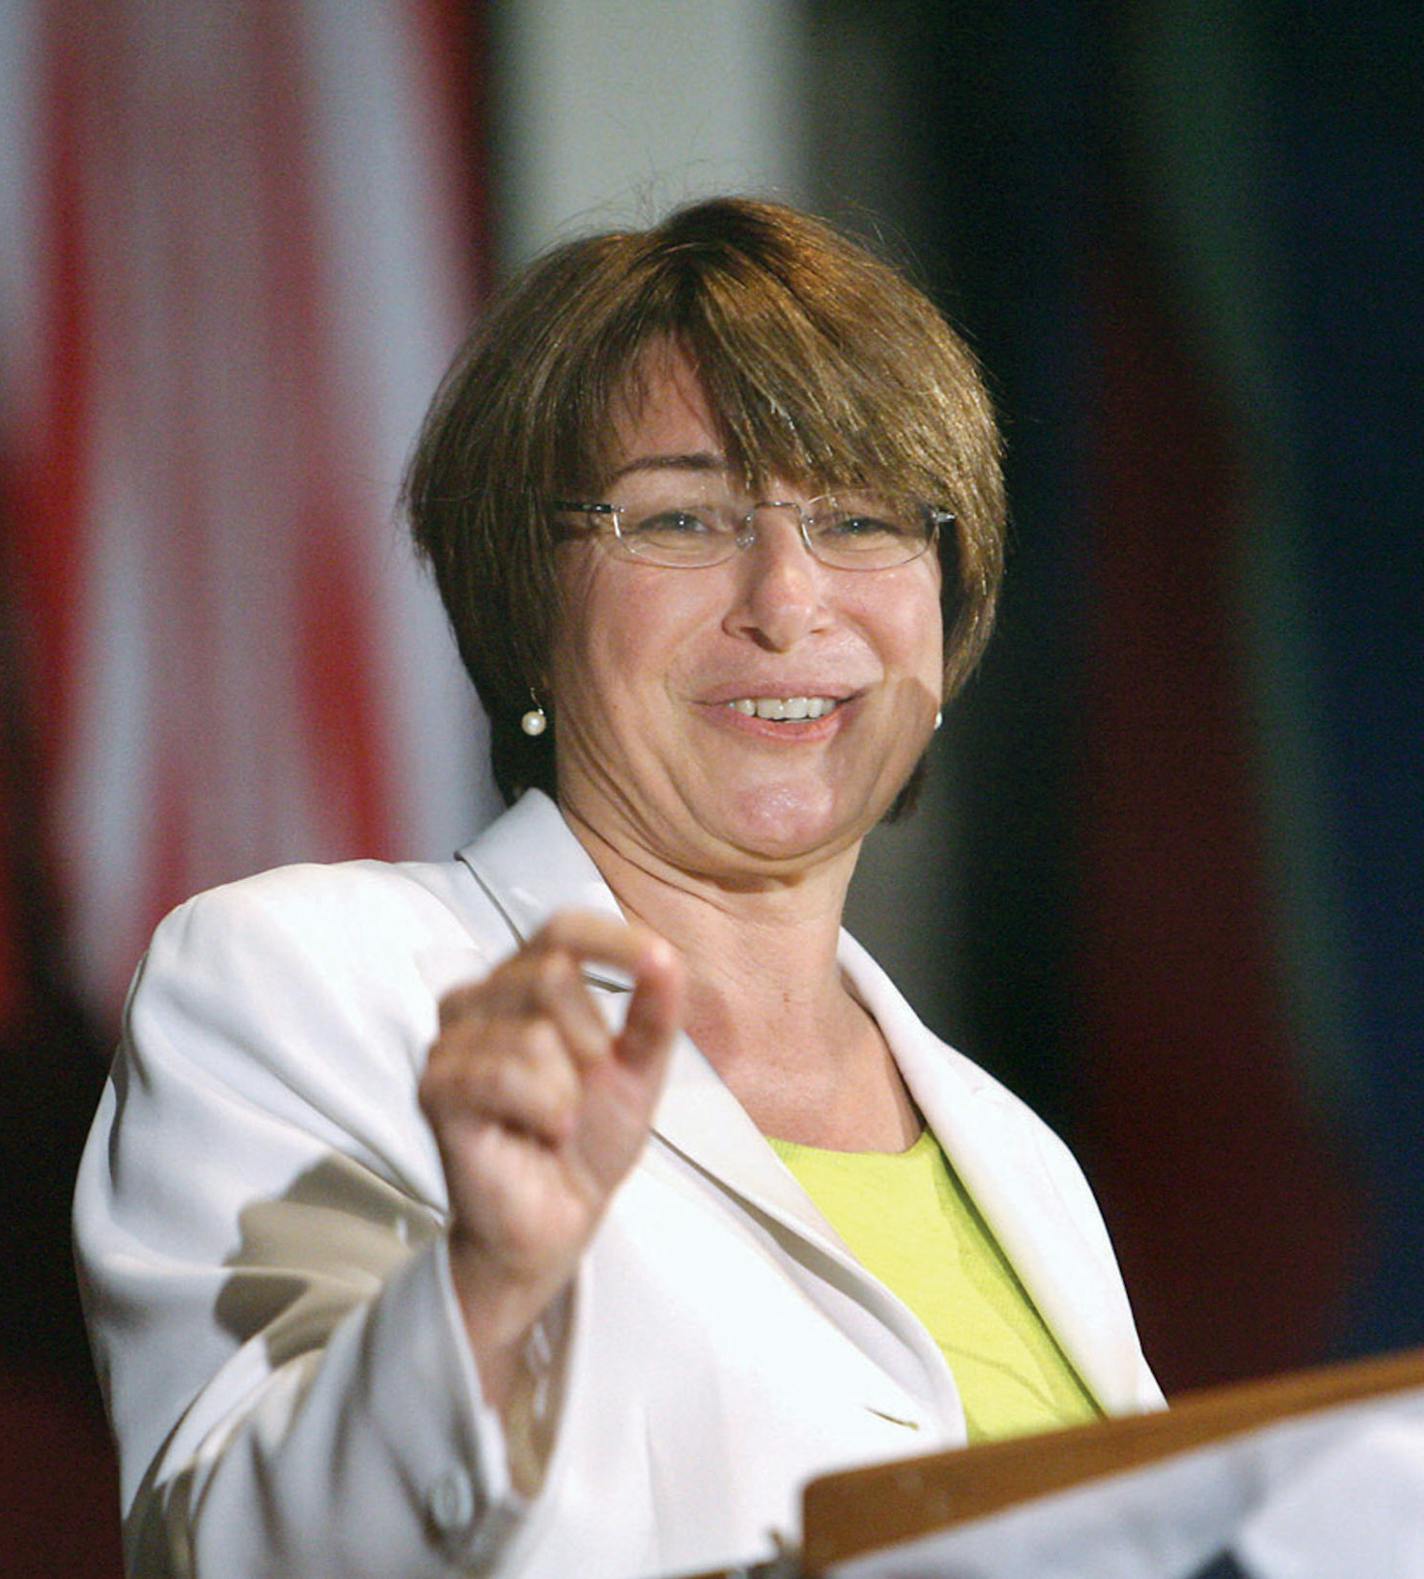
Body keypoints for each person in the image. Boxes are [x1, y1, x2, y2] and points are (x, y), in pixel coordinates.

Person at [74, 197, 1161, 1579]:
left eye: (862, 518)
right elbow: (234, 1549)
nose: (787, 599)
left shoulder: (1023, 1167)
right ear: (530, 604)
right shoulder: (305, 985)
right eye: (684, 518)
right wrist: (483, 1292)